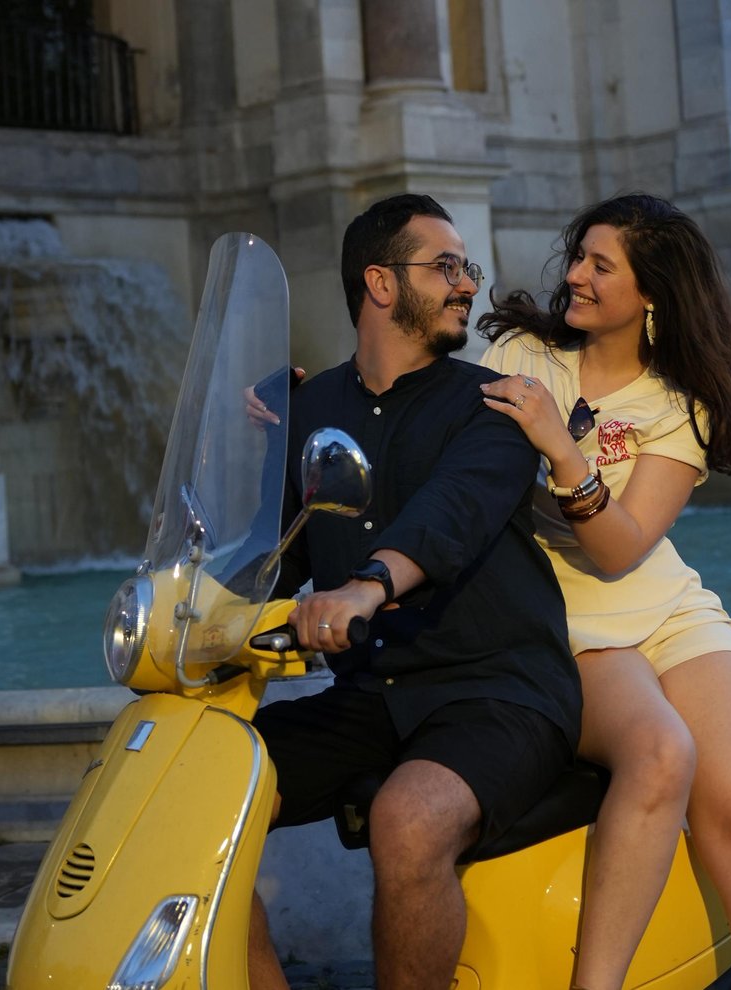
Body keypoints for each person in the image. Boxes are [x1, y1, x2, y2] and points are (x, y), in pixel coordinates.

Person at [477, 192, 731, 990]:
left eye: (601, 266)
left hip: (670, 611)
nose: (576, 274)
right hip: (570, 625)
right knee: (662, 752)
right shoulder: (520, 358)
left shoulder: (679, 403)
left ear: (652, 296)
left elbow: (621, 546)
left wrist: (561, 449)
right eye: (579, 256)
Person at [248, 193, 583, 990]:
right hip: (374, 696)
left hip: (498, 691)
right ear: (381, 282)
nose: (468, 284)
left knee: (408, 819)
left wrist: (368, 585)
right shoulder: (309, 411)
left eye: (467, 267)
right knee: (193, 787)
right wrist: (241, 467)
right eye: (446, 267)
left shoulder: (496, 406)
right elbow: (274, 563)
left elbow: (451, 513)